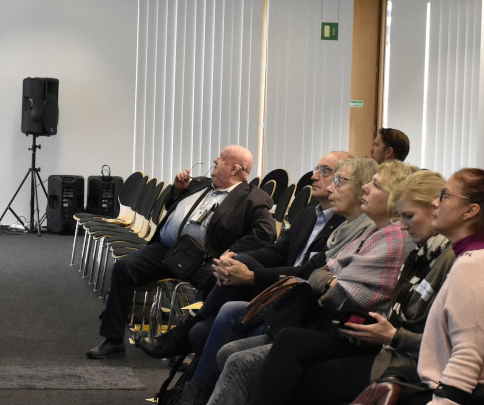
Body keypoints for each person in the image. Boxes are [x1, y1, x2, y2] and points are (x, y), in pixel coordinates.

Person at [205, 161, 416, 405]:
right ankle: (190, 379)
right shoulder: (364, 231)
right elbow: (321, 271)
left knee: (242, 355)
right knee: (229, 340)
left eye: (375, 185)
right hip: (316, 317)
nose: (366, 189)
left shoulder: (393, 239)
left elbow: (338, 292)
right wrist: (328, 279)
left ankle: (191, 373)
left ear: (395, 197)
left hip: (349, 334)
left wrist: (327, 280)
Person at [244, 170, 454, 405]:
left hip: (400, 360)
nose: (403, 226)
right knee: (286, 338)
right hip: (377, 342)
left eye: (409, 216)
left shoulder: (422, 249)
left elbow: (338, 294)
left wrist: (392, 336)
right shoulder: (418, 250)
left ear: (434, 209)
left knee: (275, 364)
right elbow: (320, 272)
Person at [138, 151, 349, 359]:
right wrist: (232, 256)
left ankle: (186, 332)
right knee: (230, 268)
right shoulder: (308, 215)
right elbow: (276, 251)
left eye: (324, 171)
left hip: (302, 299)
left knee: (207, 318)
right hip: (277, 288)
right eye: (316, 169)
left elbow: (307, 271)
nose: (314, 176)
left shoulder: (346, 228)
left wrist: (250, 276)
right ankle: (189, 382)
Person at [85, 145, 277, 359]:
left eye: (221, 158)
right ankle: (113, 340)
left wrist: (231, 251)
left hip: (203, 260)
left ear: (234, 169)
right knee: (124, 268)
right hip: (167, 250)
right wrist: (177, 190)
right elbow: (170, 204)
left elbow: (266, 233)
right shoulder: (199, 184)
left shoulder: (252, 198)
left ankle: (184, 344)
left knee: (216, 284)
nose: (215, 160)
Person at [399, 168, 484, 404]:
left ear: (470, 210)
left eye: (444, 195)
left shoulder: (474, 265)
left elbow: (467, 357)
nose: (434, 202)